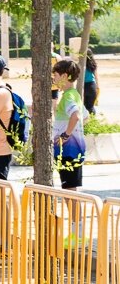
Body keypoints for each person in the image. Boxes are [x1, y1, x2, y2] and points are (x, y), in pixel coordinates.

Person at [53, 59, 86, 191]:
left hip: (68, 151)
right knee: (70, 187)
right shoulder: (74, 94)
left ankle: (75, 213)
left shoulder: (68, 96)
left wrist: (66, 135)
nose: (54, 80)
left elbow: (76, 115)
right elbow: (86, 116)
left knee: (69, 189)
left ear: (65, 76)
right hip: (73, 150)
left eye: (55, 76)